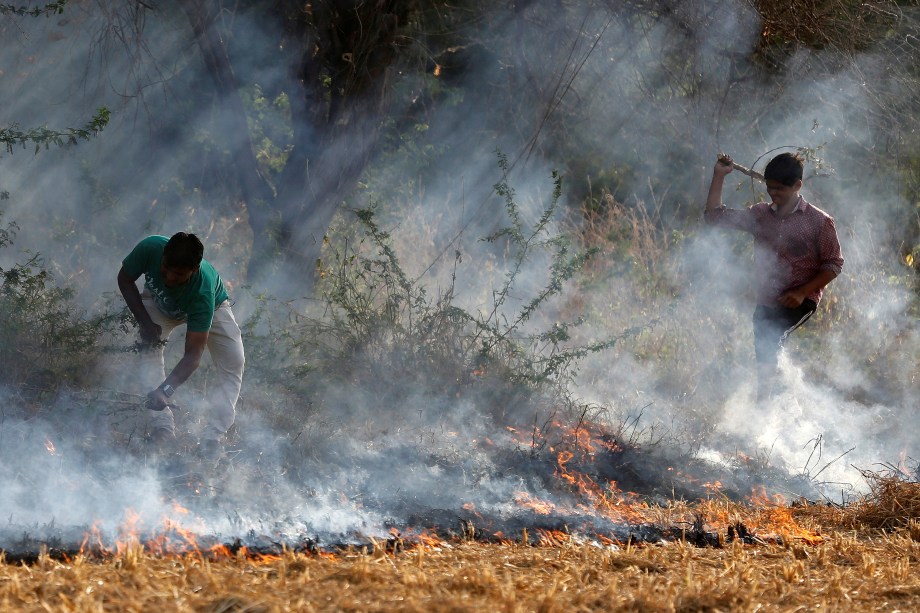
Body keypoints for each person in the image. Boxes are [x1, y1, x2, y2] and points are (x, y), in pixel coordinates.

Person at [704, 152, 844, 401]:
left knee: (768, 337)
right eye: (769, 188)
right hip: (767, 298)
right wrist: (718, 175)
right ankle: (774, 401)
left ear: (797, 186)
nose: (773, 194)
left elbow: (833, 264)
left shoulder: (819, 222)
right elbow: (714, 217)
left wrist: (802, 292)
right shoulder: (760, 215)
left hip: (802, 299)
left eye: (780, 189)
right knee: (764, 346)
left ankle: (770, 403)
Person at [117, 232, 245, 461]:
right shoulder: (150, 247)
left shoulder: (202, 294)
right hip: (161, 303)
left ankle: (212, 439)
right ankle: (162, 430)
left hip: (213, 308)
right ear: (163, 256)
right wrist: (145, 323)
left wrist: (166, 390)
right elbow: (125, 279)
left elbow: (194, 355)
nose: (168, 278)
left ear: (193, 270)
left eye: (178, 275)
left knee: (234, 360)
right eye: (165, 269)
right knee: (148, 351)